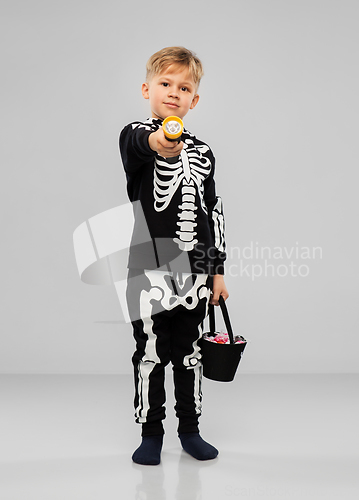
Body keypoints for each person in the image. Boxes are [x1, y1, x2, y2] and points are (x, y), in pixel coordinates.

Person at [119, 46, 229, 465]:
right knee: (150, 353)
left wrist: (217, 271)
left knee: (190, 353)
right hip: (147, 268)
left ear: (194, 99)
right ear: (148, 88)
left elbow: (213, 211)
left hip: (196, 268)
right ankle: (151, 433)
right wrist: (162, 140)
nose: (173, 92)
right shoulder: (135, 136)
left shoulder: (203, 152)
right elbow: (148, 144)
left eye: (184, 87)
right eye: (165, 84)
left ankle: (190, 431)